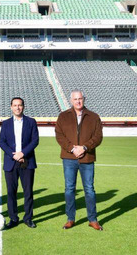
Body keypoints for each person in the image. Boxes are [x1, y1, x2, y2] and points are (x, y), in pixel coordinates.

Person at [55, 90, 103, 231]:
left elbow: (98, 136)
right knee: (69, 189)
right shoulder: (63, 116)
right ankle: (70, 219)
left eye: (80, 98)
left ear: (84, 99)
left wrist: (84, 147)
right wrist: (72, 148)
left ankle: (92, 219)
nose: (78, 101)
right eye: (75, 99)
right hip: (69, 158)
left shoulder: (94, 117)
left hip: (87, 158)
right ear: (71, 100)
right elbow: (59, 135)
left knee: (89, 189)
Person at [0, 97, 39, 229]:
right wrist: (14, 155)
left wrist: (22, 153)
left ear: (23, 107)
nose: (17, 107)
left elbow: (35, 141)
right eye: (15, 105)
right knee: (11, 192)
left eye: (20, 105)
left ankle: (28, 218)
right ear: (11, 107)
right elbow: (2, 142)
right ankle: (13, 218)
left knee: (28, 192)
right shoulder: (6, 124)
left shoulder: (31, 122)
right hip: (11, 162)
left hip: (27, 161)